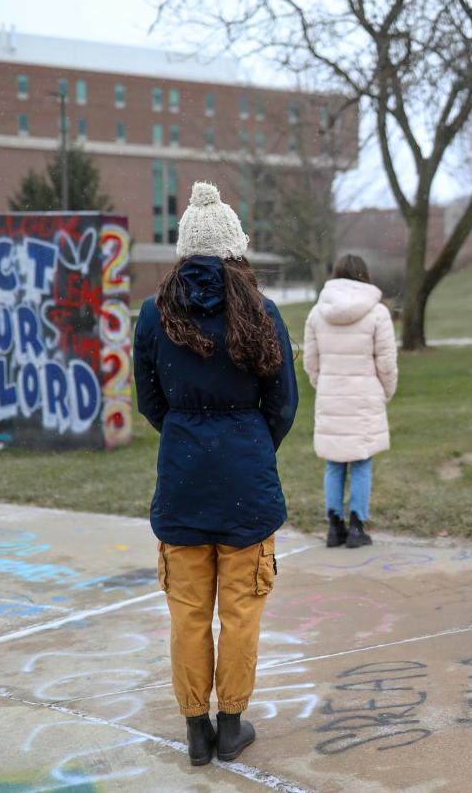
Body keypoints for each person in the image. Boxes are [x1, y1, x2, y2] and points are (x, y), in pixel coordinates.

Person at [134, 182, 298, 767]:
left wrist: (187, 437)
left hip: (183, 483)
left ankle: (195, 729)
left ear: (184, 250)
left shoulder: (154, 314)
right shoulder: (262, 311)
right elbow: (283, 403)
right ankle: (231, 723)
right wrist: (251, 443)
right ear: (234, 249)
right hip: (246, 484)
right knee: (241, 609)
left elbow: (150, 402)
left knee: (187, 612)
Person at [303, 254, 398, 548]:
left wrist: (324, 383)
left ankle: (334, 527)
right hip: (365, 394)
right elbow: (386, 361)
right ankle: (357, 527)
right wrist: (385, 390)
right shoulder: (378, 313)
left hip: (331, 393)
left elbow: (310, 361)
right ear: (364, 276)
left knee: (334, 464)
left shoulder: (317, 313)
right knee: (360, 463)